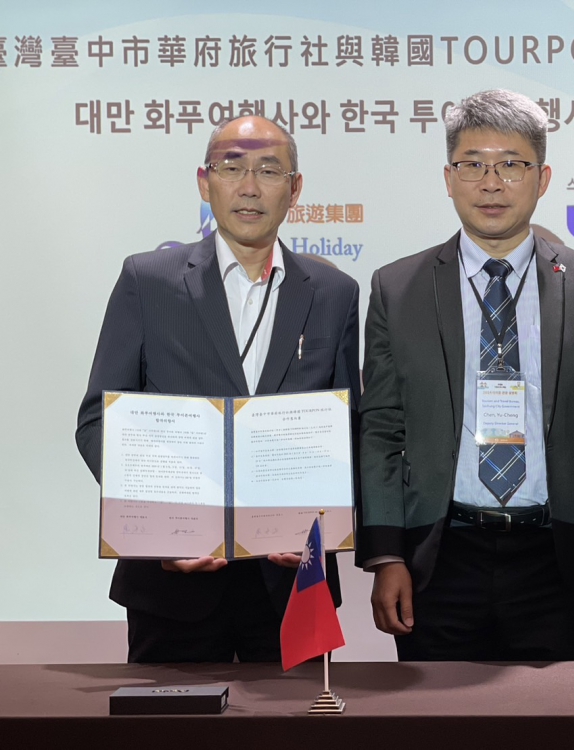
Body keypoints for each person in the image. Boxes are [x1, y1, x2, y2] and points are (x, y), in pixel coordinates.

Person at [356, 89, 574, 661]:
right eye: (473, 165)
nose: (491, 183)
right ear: (448, 177)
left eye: (511, 165)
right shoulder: (398, 287)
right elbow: (382, 426)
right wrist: (386, 554)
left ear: (543, 177)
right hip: (439, 557)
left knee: (554, 710)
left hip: (555, 556)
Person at [76, 116, 361, 663]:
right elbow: (97, 421)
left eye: (269, 171)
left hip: (292, 584)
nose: (249, 187)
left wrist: (321, 521)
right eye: (232, 169)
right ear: (205, 183)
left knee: (297, 716)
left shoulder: (334, 292)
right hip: (172, 586)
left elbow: (350, 430)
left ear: (295, 189)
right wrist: (157, 526)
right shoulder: (148, 280)